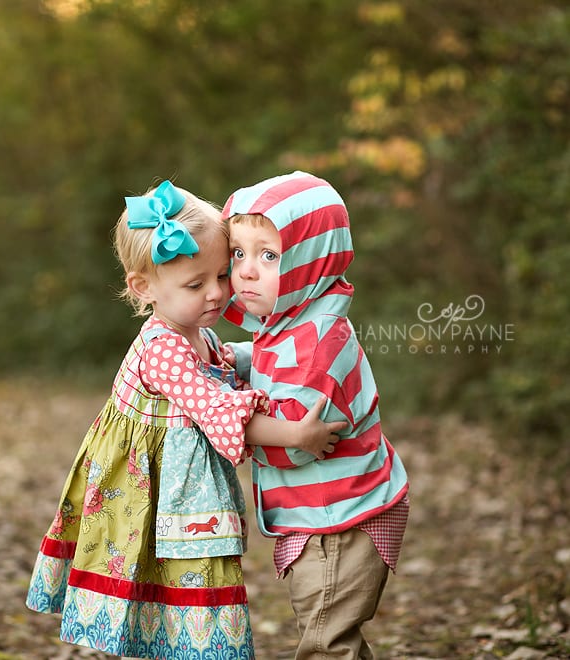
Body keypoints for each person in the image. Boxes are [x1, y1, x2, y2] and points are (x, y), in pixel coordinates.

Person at [26, 180, 344, 659]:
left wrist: (279, 351)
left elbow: (233, 360)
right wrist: (297, 433)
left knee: (187, 593)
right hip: (151, 496)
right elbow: (217, 407)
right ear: (143, 287)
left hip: (181, 490)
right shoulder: (162, 348)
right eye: (196, 284)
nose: (218, 293)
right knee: (181, 589)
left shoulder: (196, 331)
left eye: (221, 274)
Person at [221, 170, 410, 659]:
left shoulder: (318, 345)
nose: (245, 271)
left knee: (325, 644)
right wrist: (237, 360)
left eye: (268, 255)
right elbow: (269, 363)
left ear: (310, 259)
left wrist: (226, 415)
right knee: (330, 637)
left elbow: (297, 444)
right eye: (238, 253)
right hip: (325, 516)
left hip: (339, 522)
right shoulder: (292, 324)